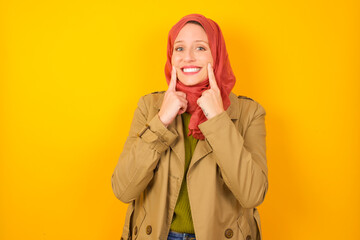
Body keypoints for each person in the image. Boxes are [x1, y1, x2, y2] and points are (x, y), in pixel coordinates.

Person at [111, 13, 268, 240]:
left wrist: (217, 119)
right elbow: (123, 189)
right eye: (180, 48)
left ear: (217, 54)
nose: (188, 58)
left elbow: (252, 194)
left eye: (201, 48)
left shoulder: (249, 113)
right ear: (170, 55)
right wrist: (161, 120)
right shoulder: (149, 107)